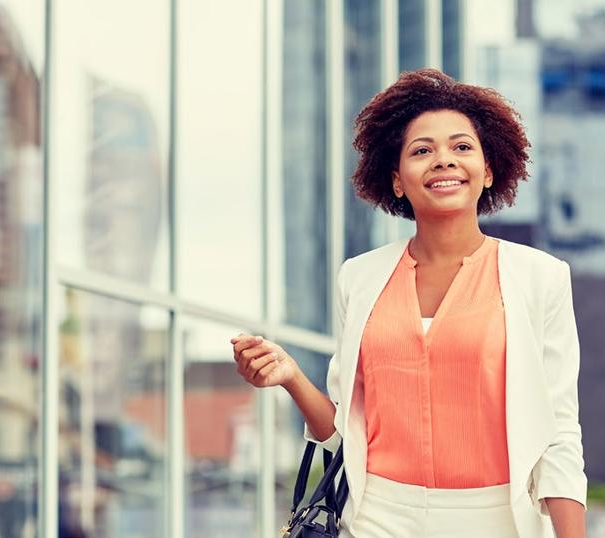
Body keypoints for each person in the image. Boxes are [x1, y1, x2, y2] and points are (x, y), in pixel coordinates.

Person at [232, 68, 586, 537]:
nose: (443, 160)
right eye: (422, 151)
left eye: (462, 147)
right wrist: (291, 377)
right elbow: (343, 433)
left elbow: (559, 433)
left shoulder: (541, 278)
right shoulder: (359, 278)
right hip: (377, 517)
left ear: (489, 171)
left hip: (495, 519)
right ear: (397, 180)